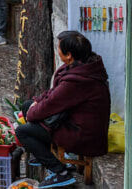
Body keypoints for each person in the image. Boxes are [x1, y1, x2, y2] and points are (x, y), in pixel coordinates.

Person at [14, 31, 110, 188]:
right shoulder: (83, 66)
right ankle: (45, 155)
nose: (57, 51)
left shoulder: (77, 82)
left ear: (69, 55)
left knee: (22, 132)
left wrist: (33, 111)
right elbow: (52, 96)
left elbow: (52, 103)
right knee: (27, 105)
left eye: (58, 48)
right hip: (73, 120)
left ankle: (60, 172)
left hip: (83, 134)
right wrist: (35, 103)